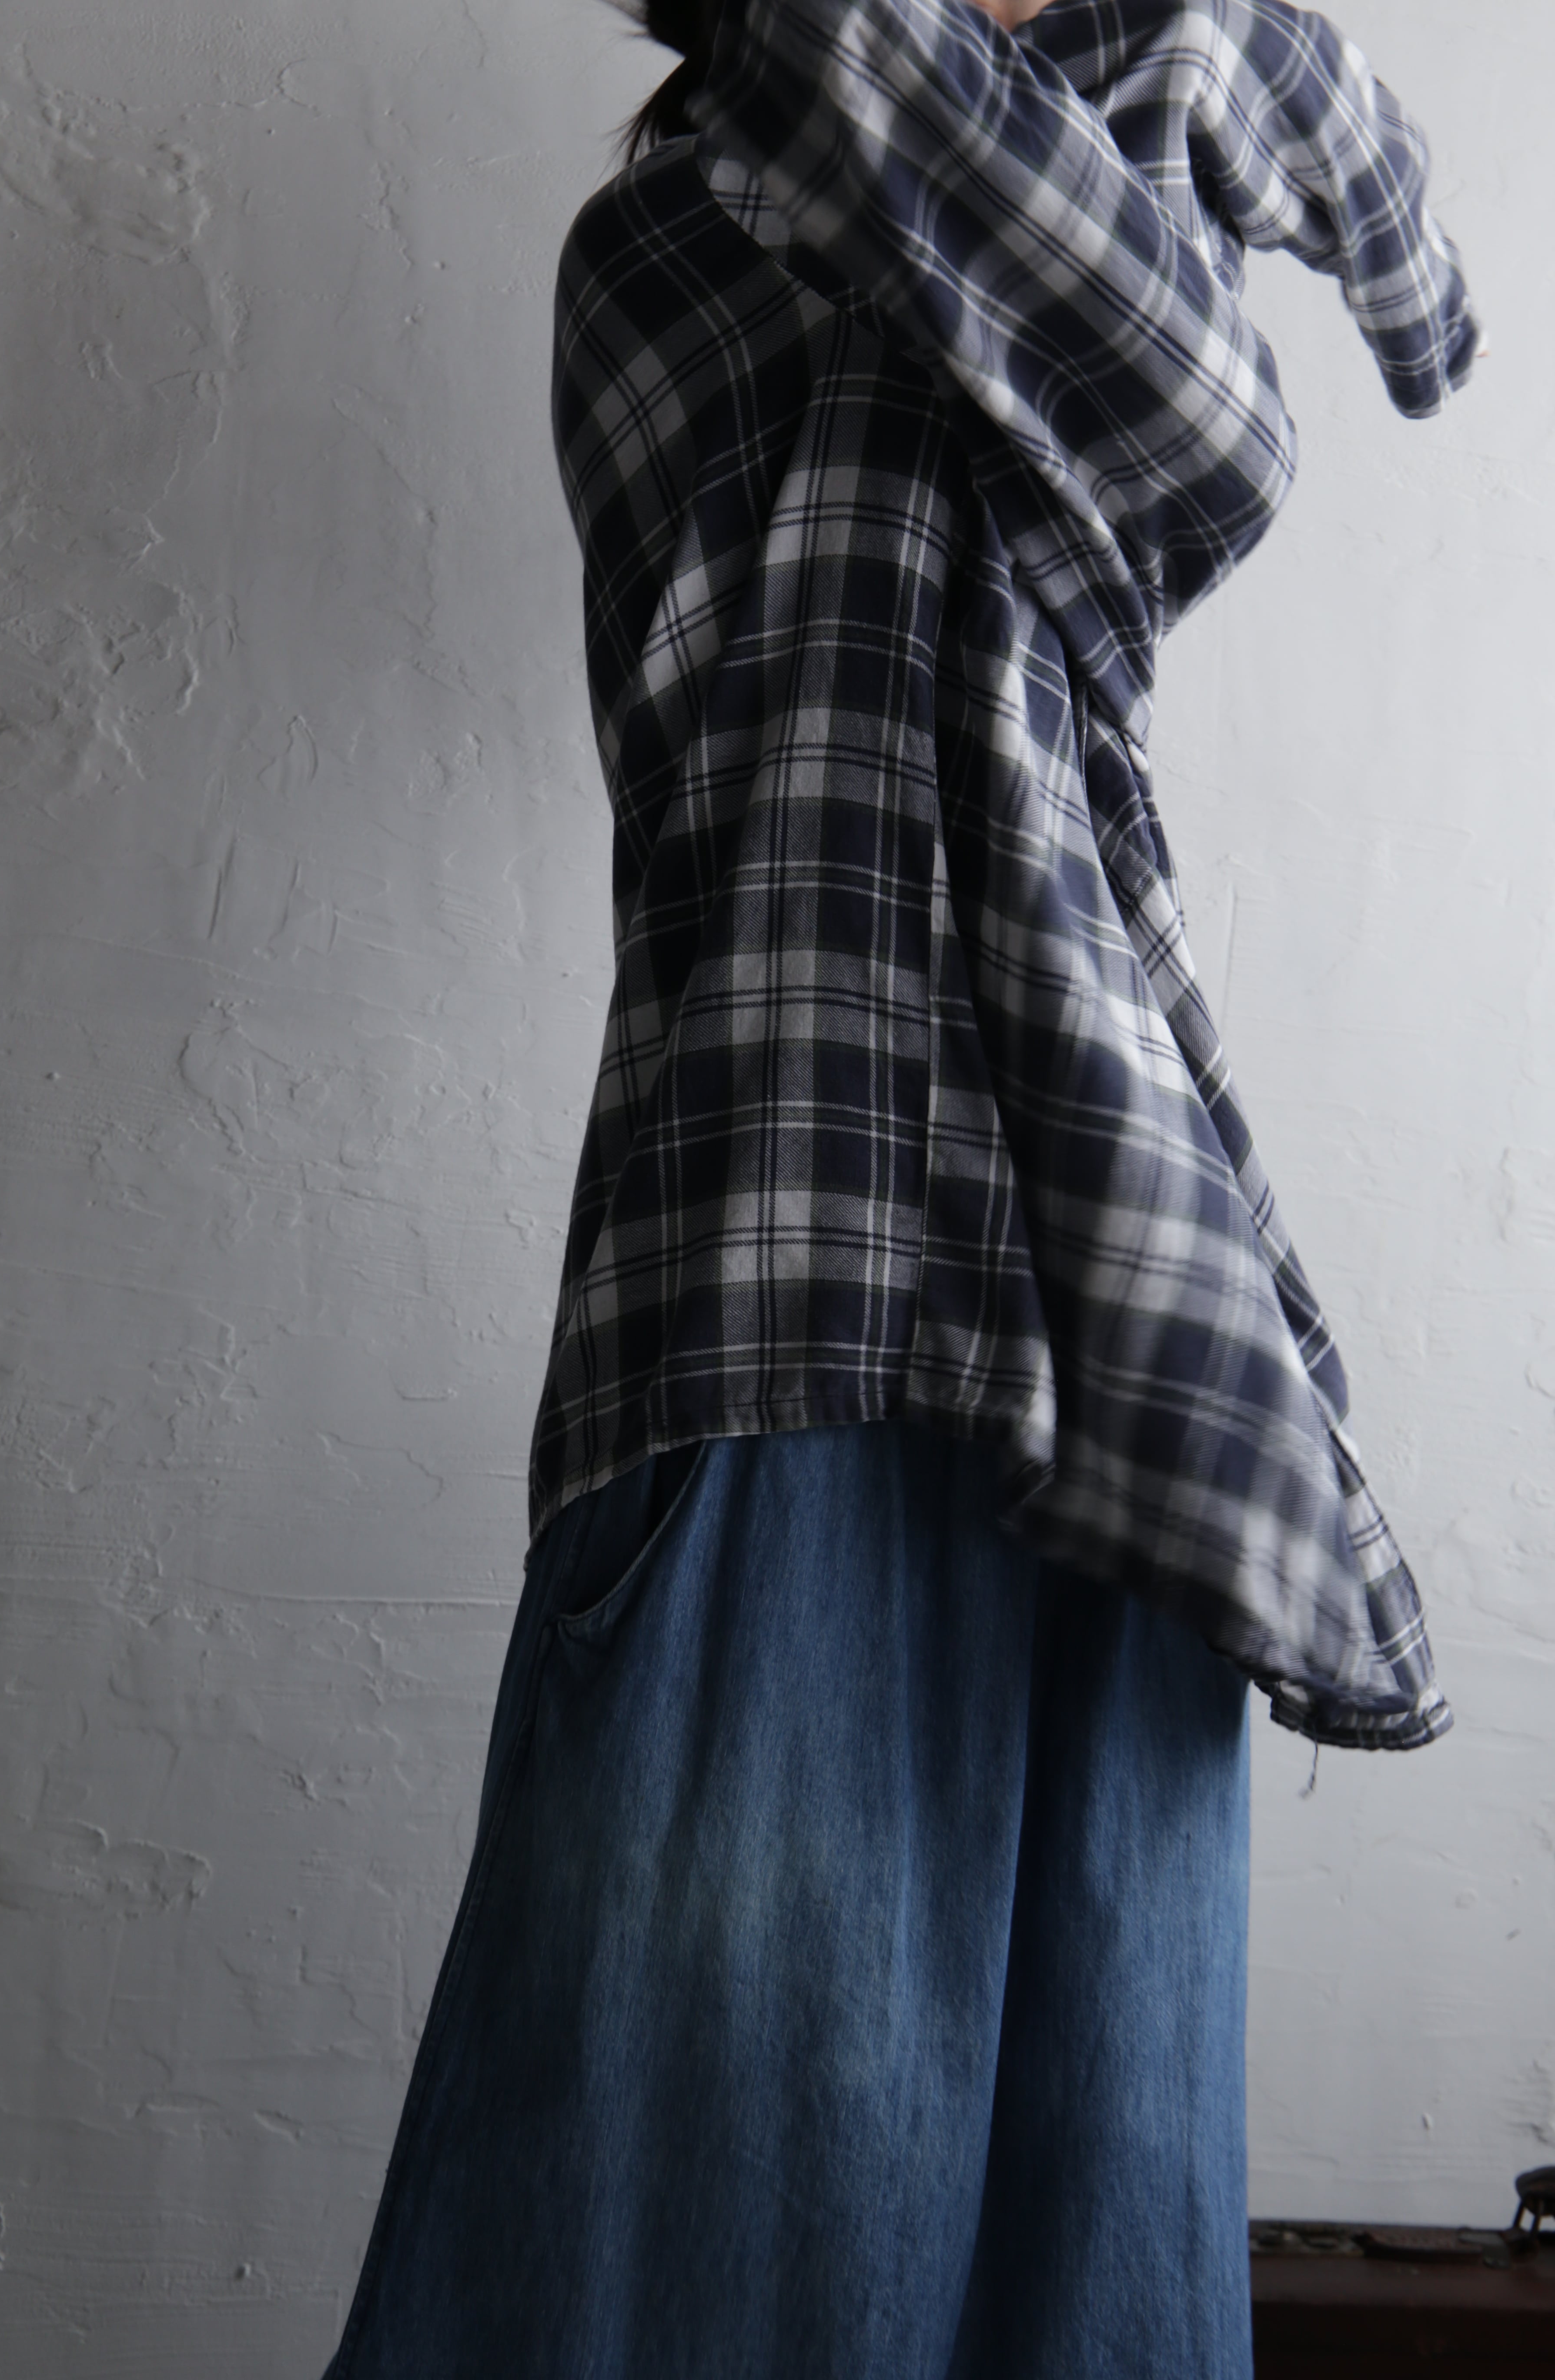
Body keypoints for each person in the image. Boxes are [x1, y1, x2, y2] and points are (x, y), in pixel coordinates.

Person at [321, 3, 1476, 2372]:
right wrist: (1178, 63)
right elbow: (977, 249)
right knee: (681, 2246)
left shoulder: (1089, 268)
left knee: (1103, 2268)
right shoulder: (665, 256)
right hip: (777, 1290)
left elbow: (1213, 424)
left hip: (1131, 1355)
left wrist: (1181, 59)